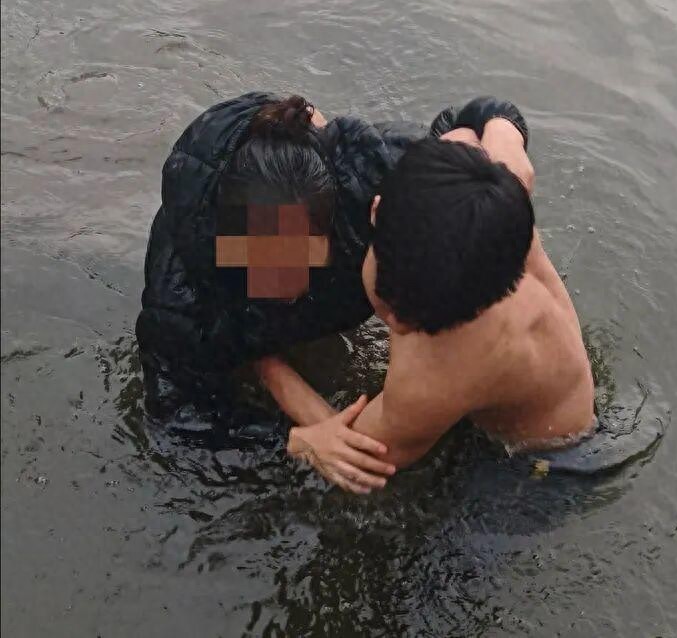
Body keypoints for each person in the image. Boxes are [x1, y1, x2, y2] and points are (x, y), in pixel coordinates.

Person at [136, 91, 529, 471]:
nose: (285, 283)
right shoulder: (180, 289)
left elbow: (469, 120)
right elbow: (177, 425)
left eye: (301, 257)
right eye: (262, 261)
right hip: (232, 320)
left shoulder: (365, 178)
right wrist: (293, 441)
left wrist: (505, 141)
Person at [260, 117, 596, 493]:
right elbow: (471, 126)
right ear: (377, 210)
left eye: (418, 318)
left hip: (543, 464)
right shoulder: (492, 201)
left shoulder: (438, 375)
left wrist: (266, 369)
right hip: (546, 385)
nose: (399, 324)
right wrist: (504, 127)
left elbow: (355, 456)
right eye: (393, 300)